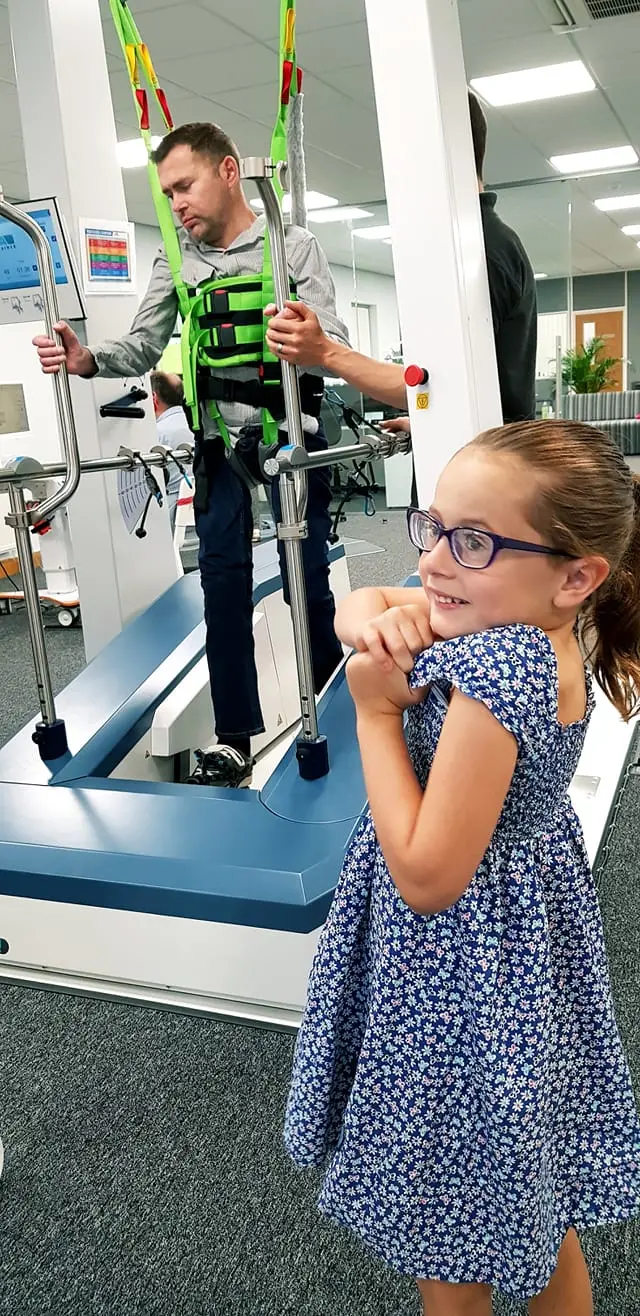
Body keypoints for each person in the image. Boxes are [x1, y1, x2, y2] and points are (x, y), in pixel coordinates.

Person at [285, 418, 640, 1315]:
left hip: (463, 965)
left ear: (577, 575)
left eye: (473, 541)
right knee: (526, 1191)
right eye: (432, 525)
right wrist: (377, 617)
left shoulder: (501, 671)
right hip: (515, 942)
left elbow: (430, 877)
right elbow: (365, 603)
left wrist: (372, 715)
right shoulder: (517, 625)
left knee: (453, 1229)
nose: (436, 561)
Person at [33, 122, 350, 788]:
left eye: (185, 186)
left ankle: (337, 704)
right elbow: (141, 349)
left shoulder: (293, 247)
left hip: (290, 438)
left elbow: (337, 340)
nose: (176, 204)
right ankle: (235, 737)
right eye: (168, 192)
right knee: (222, 589)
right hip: (216, 449)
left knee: (306, 581)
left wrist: (308, 333)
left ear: (229, 171)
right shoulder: (176, 261)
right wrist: (88, 360)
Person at [265, 91, 537, 430]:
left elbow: (438, 386)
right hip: (483, 453)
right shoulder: (484, 240)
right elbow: (468, 387)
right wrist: (426, 420)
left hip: (486, 470)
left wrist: (324, 351)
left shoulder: (474, 252)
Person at [150, 369, 193, 535]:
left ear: (153, 399)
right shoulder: (198, 423)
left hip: (171, 518)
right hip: (202, 510)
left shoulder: (157, 433)